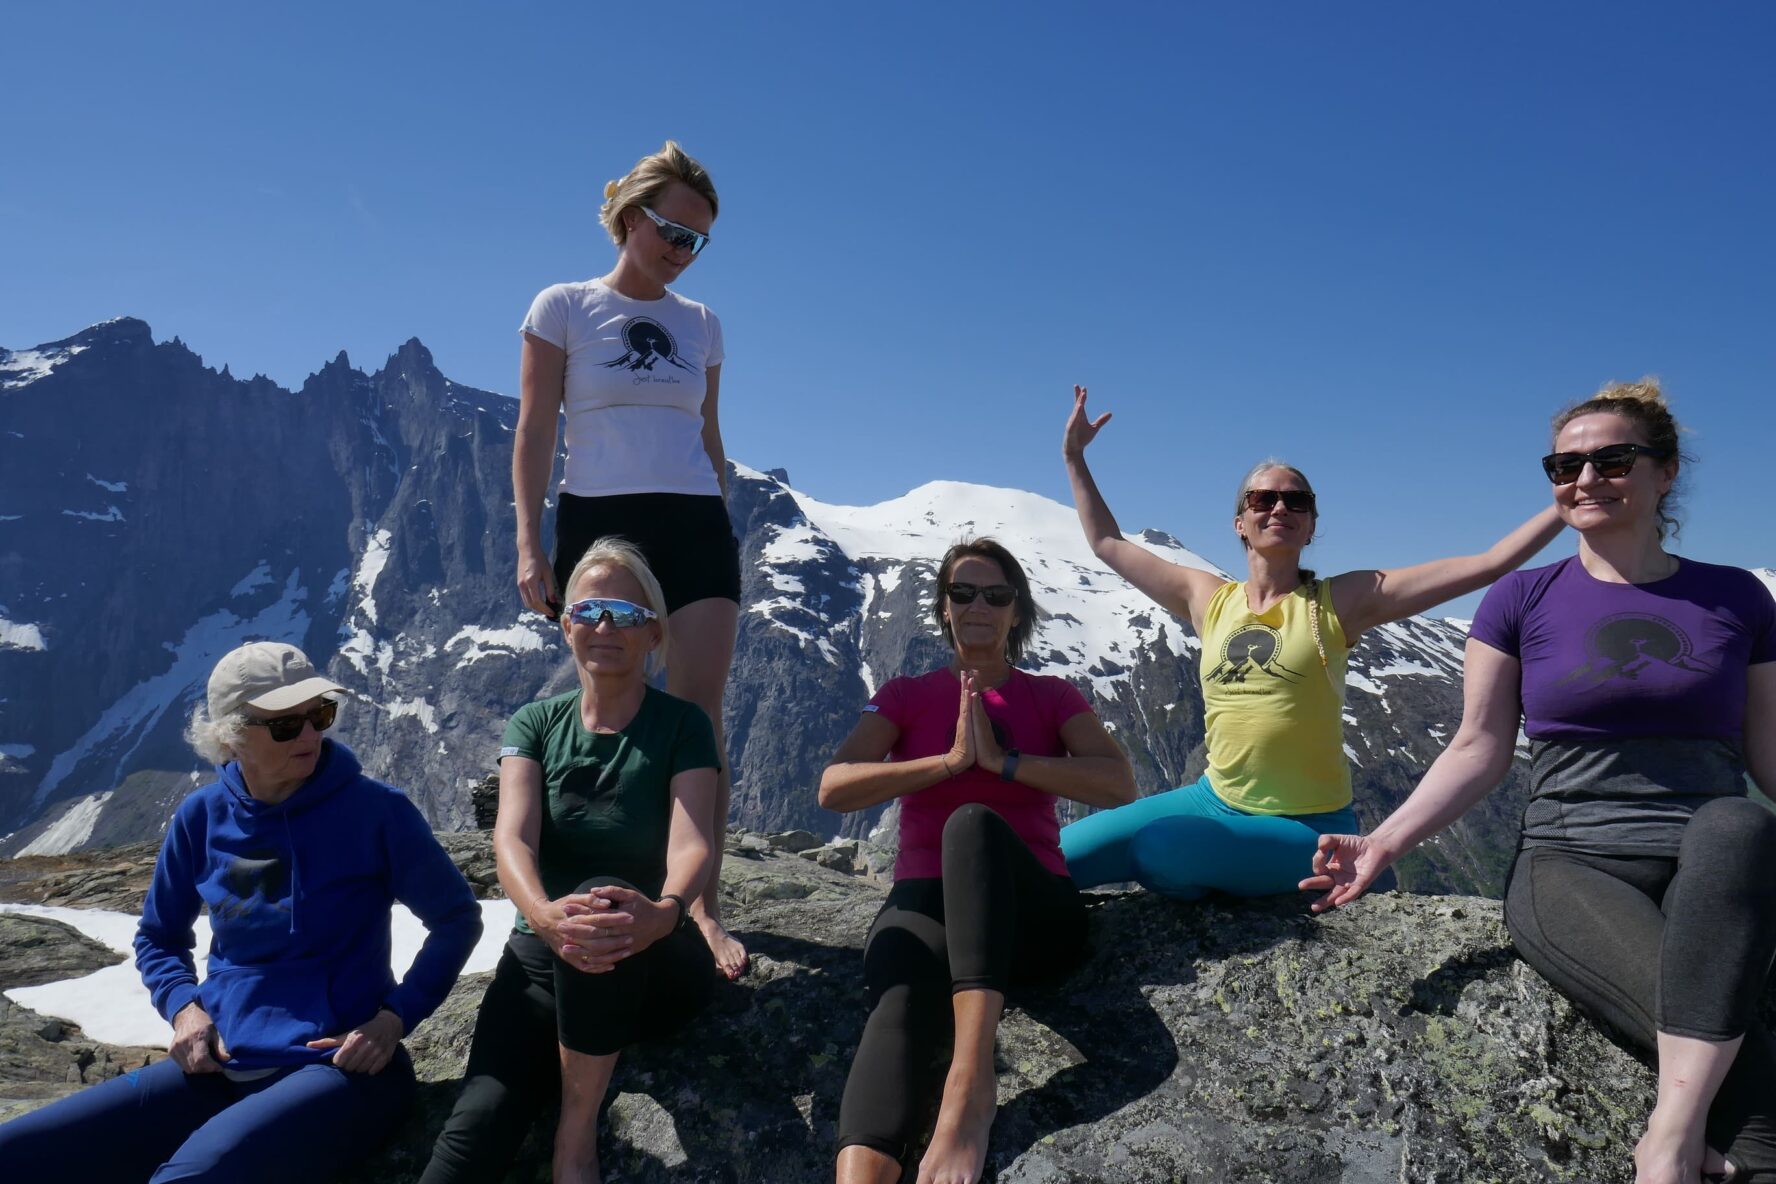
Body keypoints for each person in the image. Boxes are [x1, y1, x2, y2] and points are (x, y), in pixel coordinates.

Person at [1302, 380, 1776, 1184]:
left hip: (1714, 864)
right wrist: (1384, 842)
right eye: (1565, 465)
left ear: (1666, 472)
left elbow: (1768, 751)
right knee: (1744, 1073)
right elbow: (1479, 745)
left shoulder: (1737, 597)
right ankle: (1705, 1140)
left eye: (1612, 460)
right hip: (1572, 862)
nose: (1585, 478)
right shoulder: (1523, 597)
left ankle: (1669, 1133)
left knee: (1741, 824)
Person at [1057, 384, 1565, 900]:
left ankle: (1252, 876)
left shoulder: (1342, 601)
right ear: (1240, 523)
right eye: (1263, 499)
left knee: (1160, 850)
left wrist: (1567, 501)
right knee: (1050, 857)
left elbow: (1489, 564)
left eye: (1296, 501)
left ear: (1310, 526)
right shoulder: (1206, 598)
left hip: (1307, 825)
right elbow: (1108, 543)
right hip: (1212, 800)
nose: (1280, 507)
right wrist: (1075, 458)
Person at [0, 641, 483, 1182]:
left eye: (320, 715)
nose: (310, 736)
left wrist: (393, 1020)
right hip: (221, 1063)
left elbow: (456, 919)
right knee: (13, 1151)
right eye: (285, 725)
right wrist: (185, 1010)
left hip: (339, 1069)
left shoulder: (377, 811)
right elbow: (158, 937)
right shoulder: (201, 816)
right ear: (230, 736)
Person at [820, 538, 1137, 1184]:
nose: (979, 606)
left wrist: (1003, 764)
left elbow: (1117, 783)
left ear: (1016, 611)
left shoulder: (1051, 695)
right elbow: (834, 786)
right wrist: (947, 763)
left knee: (971, 824)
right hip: (926, 900)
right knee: (900, 1001)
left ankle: (969, 1086)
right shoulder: (906, 695)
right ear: (944, 607)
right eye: (963, 593)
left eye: (996, 595)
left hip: (1030, 915)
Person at [511, 139, 745, 979]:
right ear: (629, 218)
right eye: (673, 231)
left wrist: (719, 513)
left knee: (698, 712)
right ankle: (601, 878)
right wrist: (530, 542)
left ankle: (699, 904)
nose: (683, 251)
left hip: (693, 521)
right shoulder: (564, 306)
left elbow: (709, 434)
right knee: (612, 701)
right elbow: (536, 429)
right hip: (600, 519)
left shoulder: (703, 323)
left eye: (697, 240)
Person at [420, 538, 721, 1184]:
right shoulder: (534, 724)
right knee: (477, 1122)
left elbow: (693, 840)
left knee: (605, 898)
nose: (605, 626)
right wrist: (543, 917)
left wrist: (665, 913)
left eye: (625, 613)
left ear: (654, 634)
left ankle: (575, 1140)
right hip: (541, 954)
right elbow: (512, 839)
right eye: (588, 611)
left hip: (653, 954)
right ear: (566, 627)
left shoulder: (682, 726)